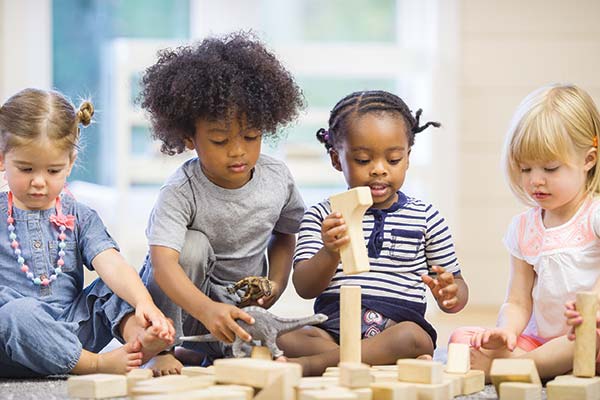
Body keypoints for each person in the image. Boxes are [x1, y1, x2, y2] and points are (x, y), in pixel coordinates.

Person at [136, 32, 306, 374]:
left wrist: (275, 282)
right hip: (187, 307)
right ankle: (164, 347)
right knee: (192, 246)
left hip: (238, 308)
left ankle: (208, 352)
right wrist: (205, 310)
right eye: (219, 139)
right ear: (188, 137)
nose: (238, 150)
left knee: (299, 343)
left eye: (251, 136)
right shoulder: (180, 190)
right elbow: (164, 264)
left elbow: (287, 234)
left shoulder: (277, 178)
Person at [277, 90, 469, 376]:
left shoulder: (426, 217)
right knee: (283, 335)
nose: (379, 170)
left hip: (395, 330)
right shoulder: (321, 216)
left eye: (393, 160)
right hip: (333, 329)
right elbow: (306, 288)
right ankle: (367, 360)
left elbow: (457, 285)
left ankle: (313, 366)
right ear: (336, 159)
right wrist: (330, 251)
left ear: (407, 158)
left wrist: (451, 294)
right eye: (364, 160)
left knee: (414, 338)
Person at [0, 88, 174, 378]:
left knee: (116, 286)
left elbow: (111, 263)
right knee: (16, 312)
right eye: (26, 168)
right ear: (2, 159)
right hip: (12, 339)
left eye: (53, 171)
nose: (39, 182)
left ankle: (141, 344)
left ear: (70, 162)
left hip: (73, 329)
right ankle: (96, 365)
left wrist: (144, 302)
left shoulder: (80, 215)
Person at [449, 83, 600, 380]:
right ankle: (534, 365)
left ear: (588, 160)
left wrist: (591, 308)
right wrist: (506, 330)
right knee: (461, 341)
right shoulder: (523, 228)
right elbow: (518, 301)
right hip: (539, 342)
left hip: (586, 336)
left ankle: (516, 368)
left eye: (550, 168)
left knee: (585, 337)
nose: (536, 181)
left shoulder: (594, 215)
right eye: (526, 168)